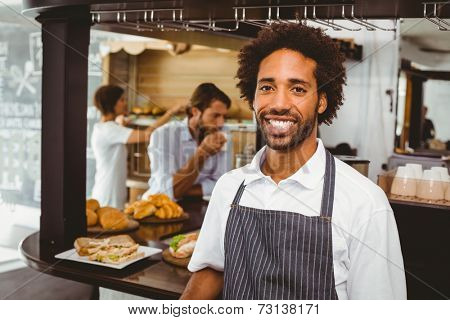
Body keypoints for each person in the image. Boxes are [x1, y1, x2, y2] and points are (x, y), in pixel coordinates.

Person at [182, 24, 406, 300]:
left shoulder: (365, 203)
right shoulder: (230, 188)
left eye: (297, 89)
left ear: (322, 101)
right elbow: (212, 270)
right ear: (252, 97)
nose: (279, 103)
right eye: (267, 87)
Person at [91, 85, 183, 209]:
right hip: (108, 195)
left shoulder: (105, 128)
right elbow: (148, 135)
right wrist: (170, 113)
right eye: (122, 100)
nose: (125, 104)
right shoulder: (109, 130)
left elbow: (115, 132)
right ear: (112, 104)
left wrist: (120, 126)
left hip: (109, 191)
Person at [144, 83, 230, 200]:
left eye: (224, 117)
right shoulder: (163, 135)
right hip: (160, 206)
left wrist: (182, 189)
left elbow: (222, 183)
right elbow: (169, 191)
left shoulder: (222, 133)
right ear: (195, 112)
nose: (221, 123)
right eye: (215, 116)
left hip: (199, 205)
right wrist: (201, 154)